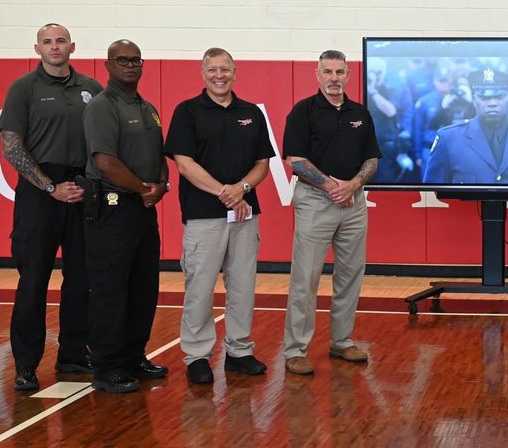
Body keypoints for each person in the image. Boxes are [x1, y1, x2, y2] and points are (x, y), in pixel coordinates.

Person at [0, 23, 102, 391]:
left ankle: (73, 353)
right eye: (47, 42)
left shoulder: (92, 88)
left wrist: (86, 187)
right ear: (37, 48)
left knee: (81, 279)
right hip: (40, 193)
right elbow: (11, 147)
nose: (54, 47)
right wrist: (50, 187)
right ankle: (26, 365)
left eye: (60, 41)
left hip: (82, 188)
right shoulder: (23, 89)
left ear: (72, 46)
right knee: (34, 281)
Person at [163, 48, 275, 385]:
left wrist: (240, 188)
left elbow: (262, 164)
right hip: (203, 217)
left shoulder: (251, 113)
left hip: (244, 215)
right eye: (212, 70)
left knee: (243, 287)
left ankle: (239, 351)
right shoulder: (187, 111)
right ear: (203, 72)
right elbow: (184, 163)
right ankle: (197, 355)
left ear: (235, 71)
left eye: (225, 69)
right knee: (200, 288)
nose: (219, 75)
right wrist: (224, 193)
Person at [282, 50, 382, 376]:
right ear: (317, 74)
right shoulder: (303, 112)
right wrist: (331, 187)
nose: (334, 78)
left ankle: (341, 340)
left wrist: (352, 185)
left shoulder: (361, 113)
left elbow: (372, 160)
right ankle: (296, 350)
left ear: (348, 75)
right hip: (315, 201)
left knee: (350, 274)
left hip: (353, 203)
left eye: (340, 72)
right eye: (328, 71)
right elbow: (295, 160)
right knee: (306, 278)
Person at [82, 39, 168, 394]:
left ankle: (134, 356)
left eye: (136, 60)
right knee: (110, 290)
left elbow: (159, 156)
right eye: (123, 60)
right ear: (108, 65)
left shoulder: (147, 108)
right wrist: (144, 189)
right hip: (113, 209)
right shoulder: (103, 107)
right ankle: (107, 366)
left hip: (143, 210)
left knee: (143, 288)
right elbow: (105, 162)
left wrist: (161, 184)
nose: (130, 65)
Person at [423, 67, 508, 185]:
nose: (492, 103)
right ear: (474, 99)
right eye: (484, 97)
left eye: (500, 96)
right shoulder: (449, 140)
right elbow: (431, 197)